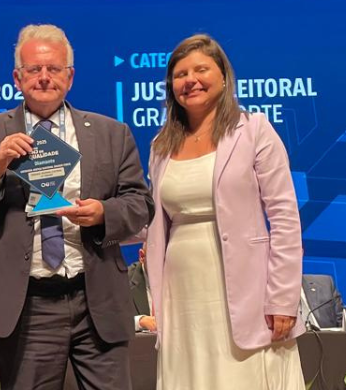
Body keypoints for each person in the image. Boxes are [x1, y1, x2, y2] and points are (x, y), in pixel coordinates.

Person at [0, 24, 153, 390]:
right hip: (26, 306)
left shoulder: (111, 133)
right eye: (34, 69)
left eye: (54, 69)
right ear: (17, 77)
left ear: (70, 76)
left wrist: (103, 214)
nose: (44, 77)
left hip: (98, 301)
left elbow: (140, 205)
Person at [144, 33, 306, 389]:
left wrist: (283, 298)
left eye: (201, 69)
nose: (191, 80)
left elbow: (284, 217)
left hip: (249, 290)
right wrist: (103, 219)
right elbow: (154, 221)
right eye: (181, 74)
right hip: (182, 290)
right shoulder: (160, 145)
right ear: (171, 86)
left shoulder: (255, 131)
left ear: (223, 75)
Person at [129, 245, 156, 332]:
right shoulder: (122, 281)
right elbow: (108, 321)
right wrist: (140, 321)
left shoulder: (180, 279)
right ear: (142, 256)